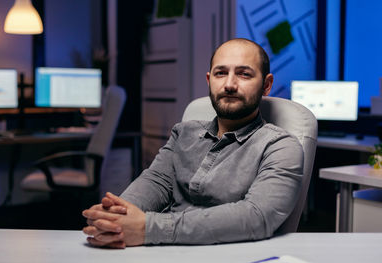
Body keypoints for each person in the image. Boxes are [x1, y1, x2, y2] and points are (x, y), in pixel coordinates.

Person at [82, 38, 304, 249]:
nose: (229, 84)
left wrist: (148, 228)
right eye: (221, 73)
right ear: (209, 80)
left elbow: (256, 216)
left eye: (244, 74)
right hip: (160, 251)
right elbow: (155, 182)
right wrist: (116, 219)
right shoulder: (184, 132)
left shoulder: (281, 147)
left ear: (266, 85)